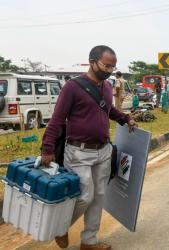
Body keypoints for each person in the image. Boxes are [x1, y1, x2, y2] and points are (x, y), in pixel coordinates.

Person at [41, 45, 137, 250]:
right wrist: (47, 148)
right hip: (78, 151)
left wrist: (125, 118)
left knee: (99, 195)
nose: (110, 70)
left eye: (113, 66)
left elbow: (108, 110)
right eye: (106, 65)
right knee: (85, 195)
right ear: (92, 61)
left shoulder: (107, 87)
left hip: (103, 150)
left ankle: (89, 241)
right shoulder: (72, 87)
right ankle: (61, 227)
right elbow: (56, 120)